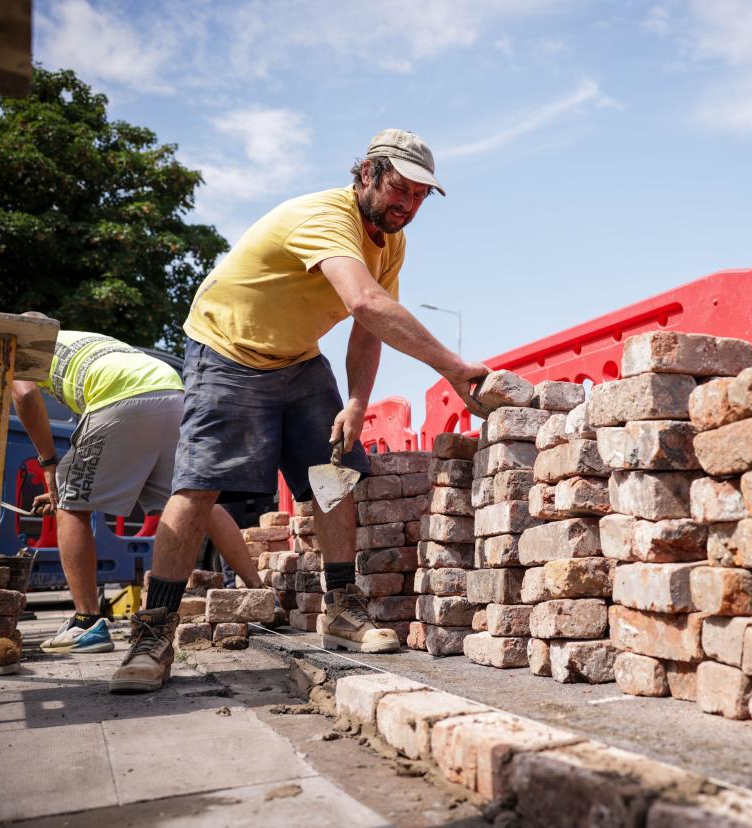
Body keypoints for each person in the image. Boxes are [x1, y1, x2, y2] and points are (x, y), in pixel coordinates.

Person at [109, 129, 489, 693]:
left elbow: (368, 325)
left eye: (418, 197)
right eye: (398, 189)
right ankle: (154, 632)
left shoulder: (388, 240)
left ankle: (341, 606)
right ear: (366, 174)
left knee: (333, 473)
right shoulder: (325, 217)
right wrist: (456, 369)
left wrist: (358, 402)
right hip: (227, 349)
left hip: (297, 359)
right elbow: (365, 300)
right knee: (198, 485)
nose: (406, 205)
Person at [11, 322, 273, 654]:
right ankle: (262, 595)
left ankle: (86, 623)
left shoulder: (16, 346)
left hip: (121, 395)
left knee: (70, 502)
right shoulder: (79, 339)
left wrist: (50, 465)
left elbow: (24, 394)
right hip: (170, 390)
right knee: (194, 498)